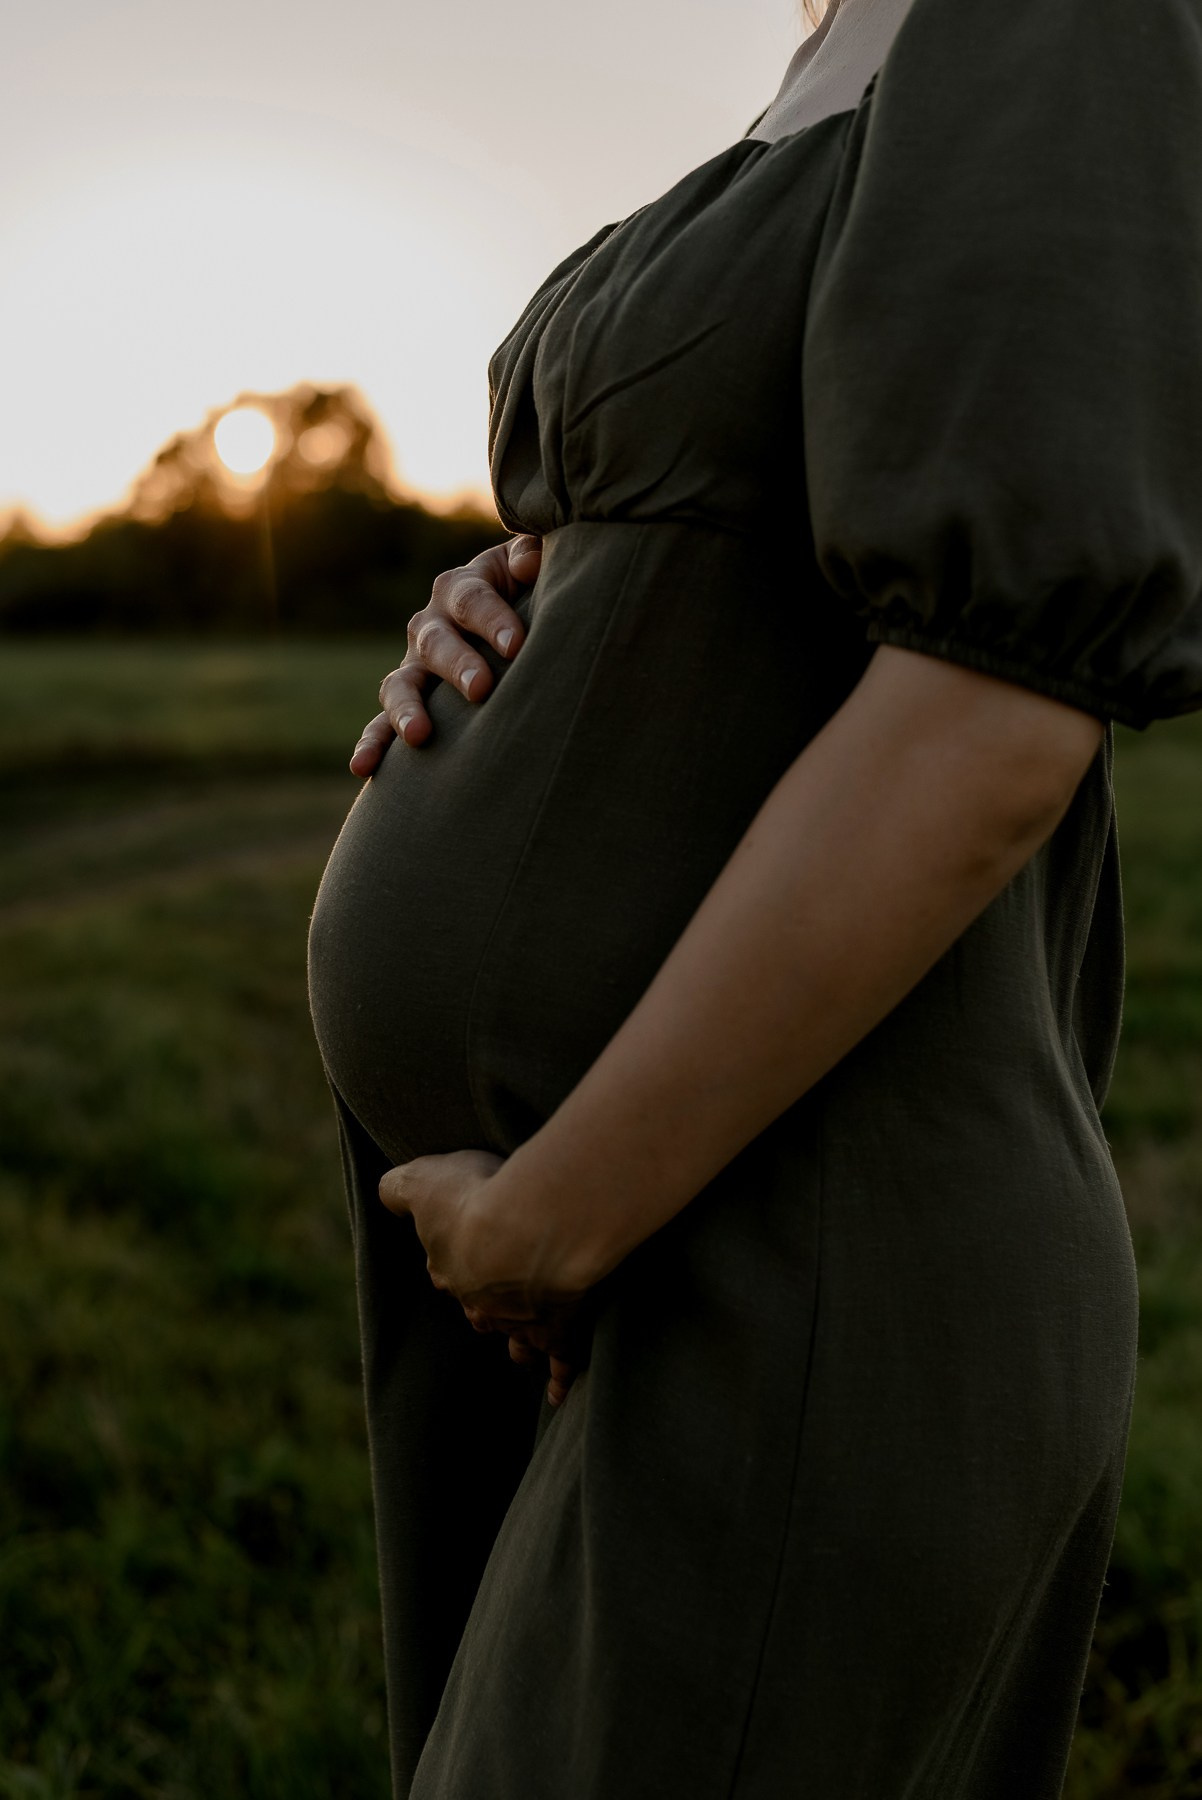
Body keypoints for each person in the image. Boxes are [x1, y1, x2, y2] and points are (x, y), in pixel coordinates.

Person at [306, 0, 1202, 1792]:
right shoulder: (850, 41)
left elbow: (991, 717)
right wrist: (529, 590)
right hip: (575, 1238)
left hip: (791, 1229)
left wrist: (561, 1207)